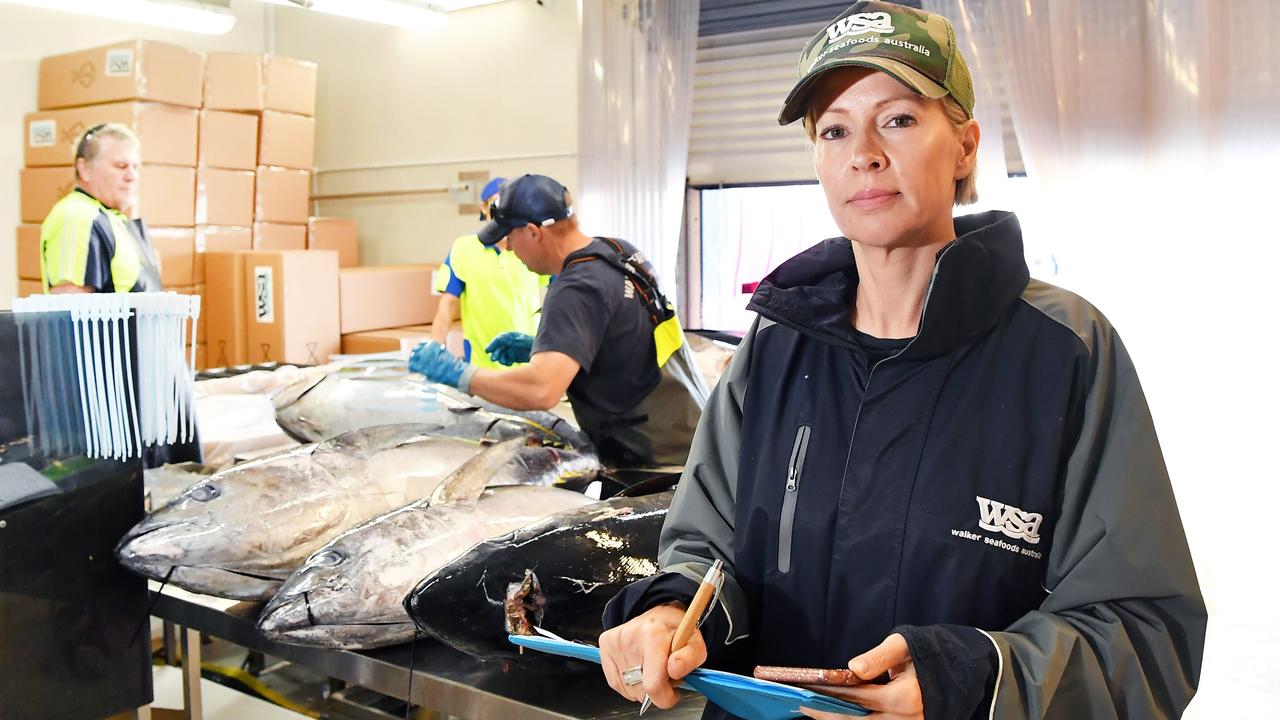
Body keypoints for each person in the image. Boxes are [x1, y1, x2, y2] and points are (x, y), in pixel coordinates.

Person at [597, 3, 1205, 720]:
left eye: (898, 119)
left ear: (967, 146)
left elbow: (1146, 633)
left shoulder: (1065, 350)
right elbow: (703, 549)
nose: (864, 154)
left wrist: (974, 679)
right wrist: (673, 612)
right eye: (834, 129)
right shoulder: (776, 345)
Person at [409, 174, 709, 467]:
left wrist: (459, 374)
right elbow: (623, 339)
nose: (510, 249)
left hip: (656, 459)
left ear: (533, 232)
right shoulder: (619, 252)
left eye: (510, 238)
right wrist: (550, 347)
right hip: (693, 432)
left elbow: (541, 390)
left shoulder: (575, 288)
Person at [429, 176, 548, 369]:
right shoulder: (464, 248)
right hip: (481, 365)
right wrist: (434, 349)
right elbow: (448, 304)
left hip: (529, 363)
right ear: (484, 209)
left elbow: (559, 289)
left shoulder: (531, 247)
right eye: (495, 203)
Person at [40, 123, 162, 294]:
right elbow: (68, 311)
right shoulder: (77, 216)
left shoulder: (111, 219)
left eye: (135, 167)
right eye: (121, 166)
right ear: (84, 169)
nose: (132, 176)